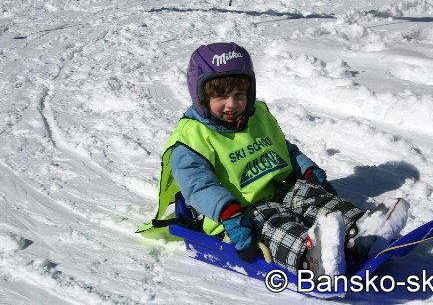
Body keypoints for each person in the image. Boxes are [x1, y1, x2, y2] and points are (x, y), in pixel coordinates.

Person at [140, 42, 409, 277]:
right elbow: (197, 186)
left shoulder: (257, 116)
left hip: (276, 187)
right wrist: (229, 214)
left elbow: (283, 147)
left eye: (239, 95)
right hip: (238, 211)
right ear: (201, 97)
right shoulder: (190, 139)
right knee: (274, 223)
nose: (232, 104)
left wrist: (307, 170)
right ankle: (314, 259)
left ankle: (362, 233)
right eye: (221, 96)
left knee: (311, 196)